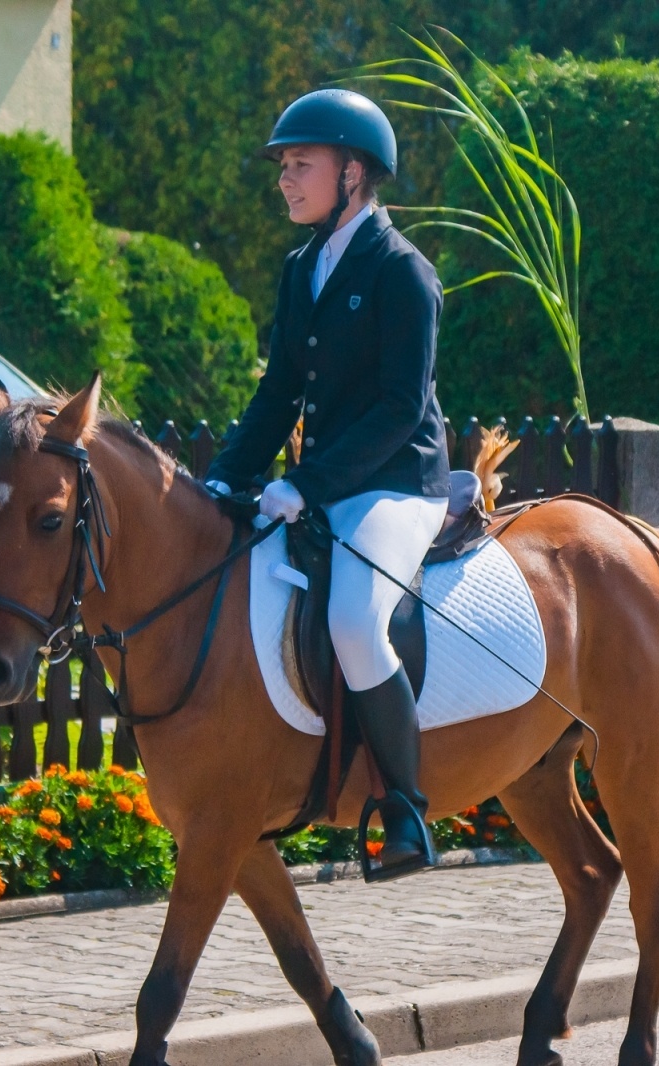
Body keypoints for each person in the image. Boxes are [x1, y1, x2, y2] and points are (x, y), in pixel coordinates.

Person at [203, 89, 451, 877]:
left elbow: (397, 408)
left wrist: (305, 485)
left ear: (353, 174)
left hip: (396, 484)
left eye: (299, 164)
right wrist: (223, 479)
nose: (285, 179)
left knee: (351, 618)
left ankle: (407, 813)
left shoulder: (404, 273)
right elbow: (279, 392)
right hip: (324, 483)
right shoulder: (301, 267)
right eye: (283, 166)